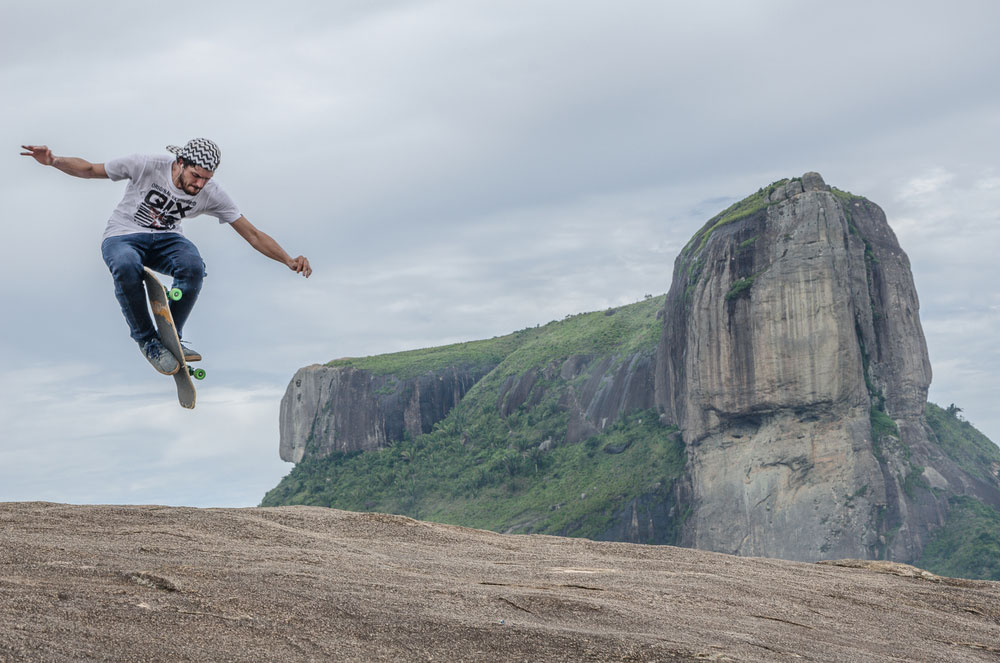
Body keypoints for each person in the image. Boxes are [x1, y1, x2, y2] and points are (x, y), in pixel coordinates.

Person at [20, 138, 312, 375]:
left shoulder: (212, 193)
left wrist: (287, 259)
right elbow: (90, 170)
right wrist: (54, 160)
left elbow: (252, 233)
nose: (199, 185)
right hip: (123, 235)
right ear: (180, 163)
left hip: (167, 240)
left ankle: (172, 336)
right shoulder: (146, 164)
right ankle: (148, 341)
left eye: (206, 180)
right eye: (195, 176)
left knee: (193, 267)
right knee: (126, 266)